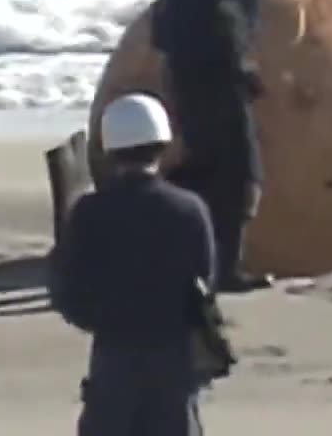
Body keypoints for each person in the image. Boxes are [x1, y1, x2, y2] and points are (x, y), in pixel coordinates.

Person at [152, 0, 298, 293]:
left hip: (189, 60)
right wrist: (239, 67)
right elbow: (222, 5)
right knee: (238, 172)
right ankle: (222, 270)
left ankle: (171, 249)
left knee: (206, 164)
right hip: (209, 65)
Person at [49, 93, 218, 436]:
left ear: (110, 149)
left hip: (113, 354)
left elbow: (68, 290)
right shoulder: (189, 209)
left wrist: (97, 319)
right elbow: (205, 280)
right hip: (173, 357)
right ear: (162, 143)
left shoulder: (89, 212)